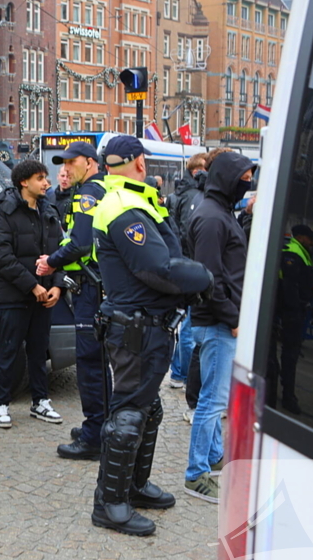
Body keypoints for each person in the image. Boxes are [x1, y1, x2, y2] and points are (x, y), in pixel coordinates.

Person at [90, 135, 213, 536]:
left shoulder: (131, 200)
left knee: (146, 409)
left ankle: (133, 486)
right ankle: (110, 504)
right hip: (136, 327)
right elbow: (159, 268)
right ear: (140, 162)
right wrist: (206, 277)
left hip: (143, 324)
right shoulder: (124, 207)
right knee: (128, 415)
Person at [185, 151, 254, 503]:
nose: (248, 183)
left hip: (217, 321)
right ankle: (196, 473)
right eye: (244, 176)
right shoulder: (213, 217)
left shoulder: (217, 212)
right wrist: (233, 319)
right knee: (213, 401)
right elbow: (209, 278)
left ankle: (212, 458)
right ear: (228, 178)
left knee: (215, 397)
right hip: (217, 323)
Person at [35, 141, 111, 460]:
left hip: (90, 287)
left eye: (72, 161)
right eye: (63, 163)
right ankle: (101, 426)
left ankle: (95, 436)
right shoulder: (98, 189)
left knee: (90, 363)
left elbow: (79, 244)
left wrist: (51, 261)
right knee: (97, 361)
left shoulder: (89, 194)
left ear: (91, 163)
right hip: (96, 284)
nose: (65, 168)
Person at [0, 159, 64, 429]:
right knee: (8, 349)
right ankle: (1, 405)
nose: (47, 183)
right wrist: (33, 285)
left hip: (44, 296)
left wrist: (57, 285)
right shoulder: (3, 214)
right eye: (40, 178)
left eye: (46, 177)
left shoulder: (49, 211)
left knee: (39, 350)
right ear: (23, 182)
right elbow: (1, 257)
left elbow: (59, 252)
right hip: (14, 297)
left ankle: (40, 401)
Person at [165, 153, 208, 394]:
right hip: (189, 263)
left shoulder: (178, 195)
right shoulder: (194, 197)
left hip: (180, 262)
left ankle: (178, 371)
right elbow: (187, 233)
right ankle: (182, 373)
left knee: (185, 321)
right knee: (190, 325)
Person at [266, 224, 313, 414]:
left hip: (289, 313)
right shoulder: (293, 252)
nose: (312, 243)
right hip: (289, 314)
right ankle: (286, 397)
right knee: (288, 357)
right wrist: (295, 310)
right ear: (302, 237)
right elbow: (290, 287)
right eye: (310, 239)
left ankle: (283, 394)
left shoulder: (298, 251)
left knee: (287, 356)